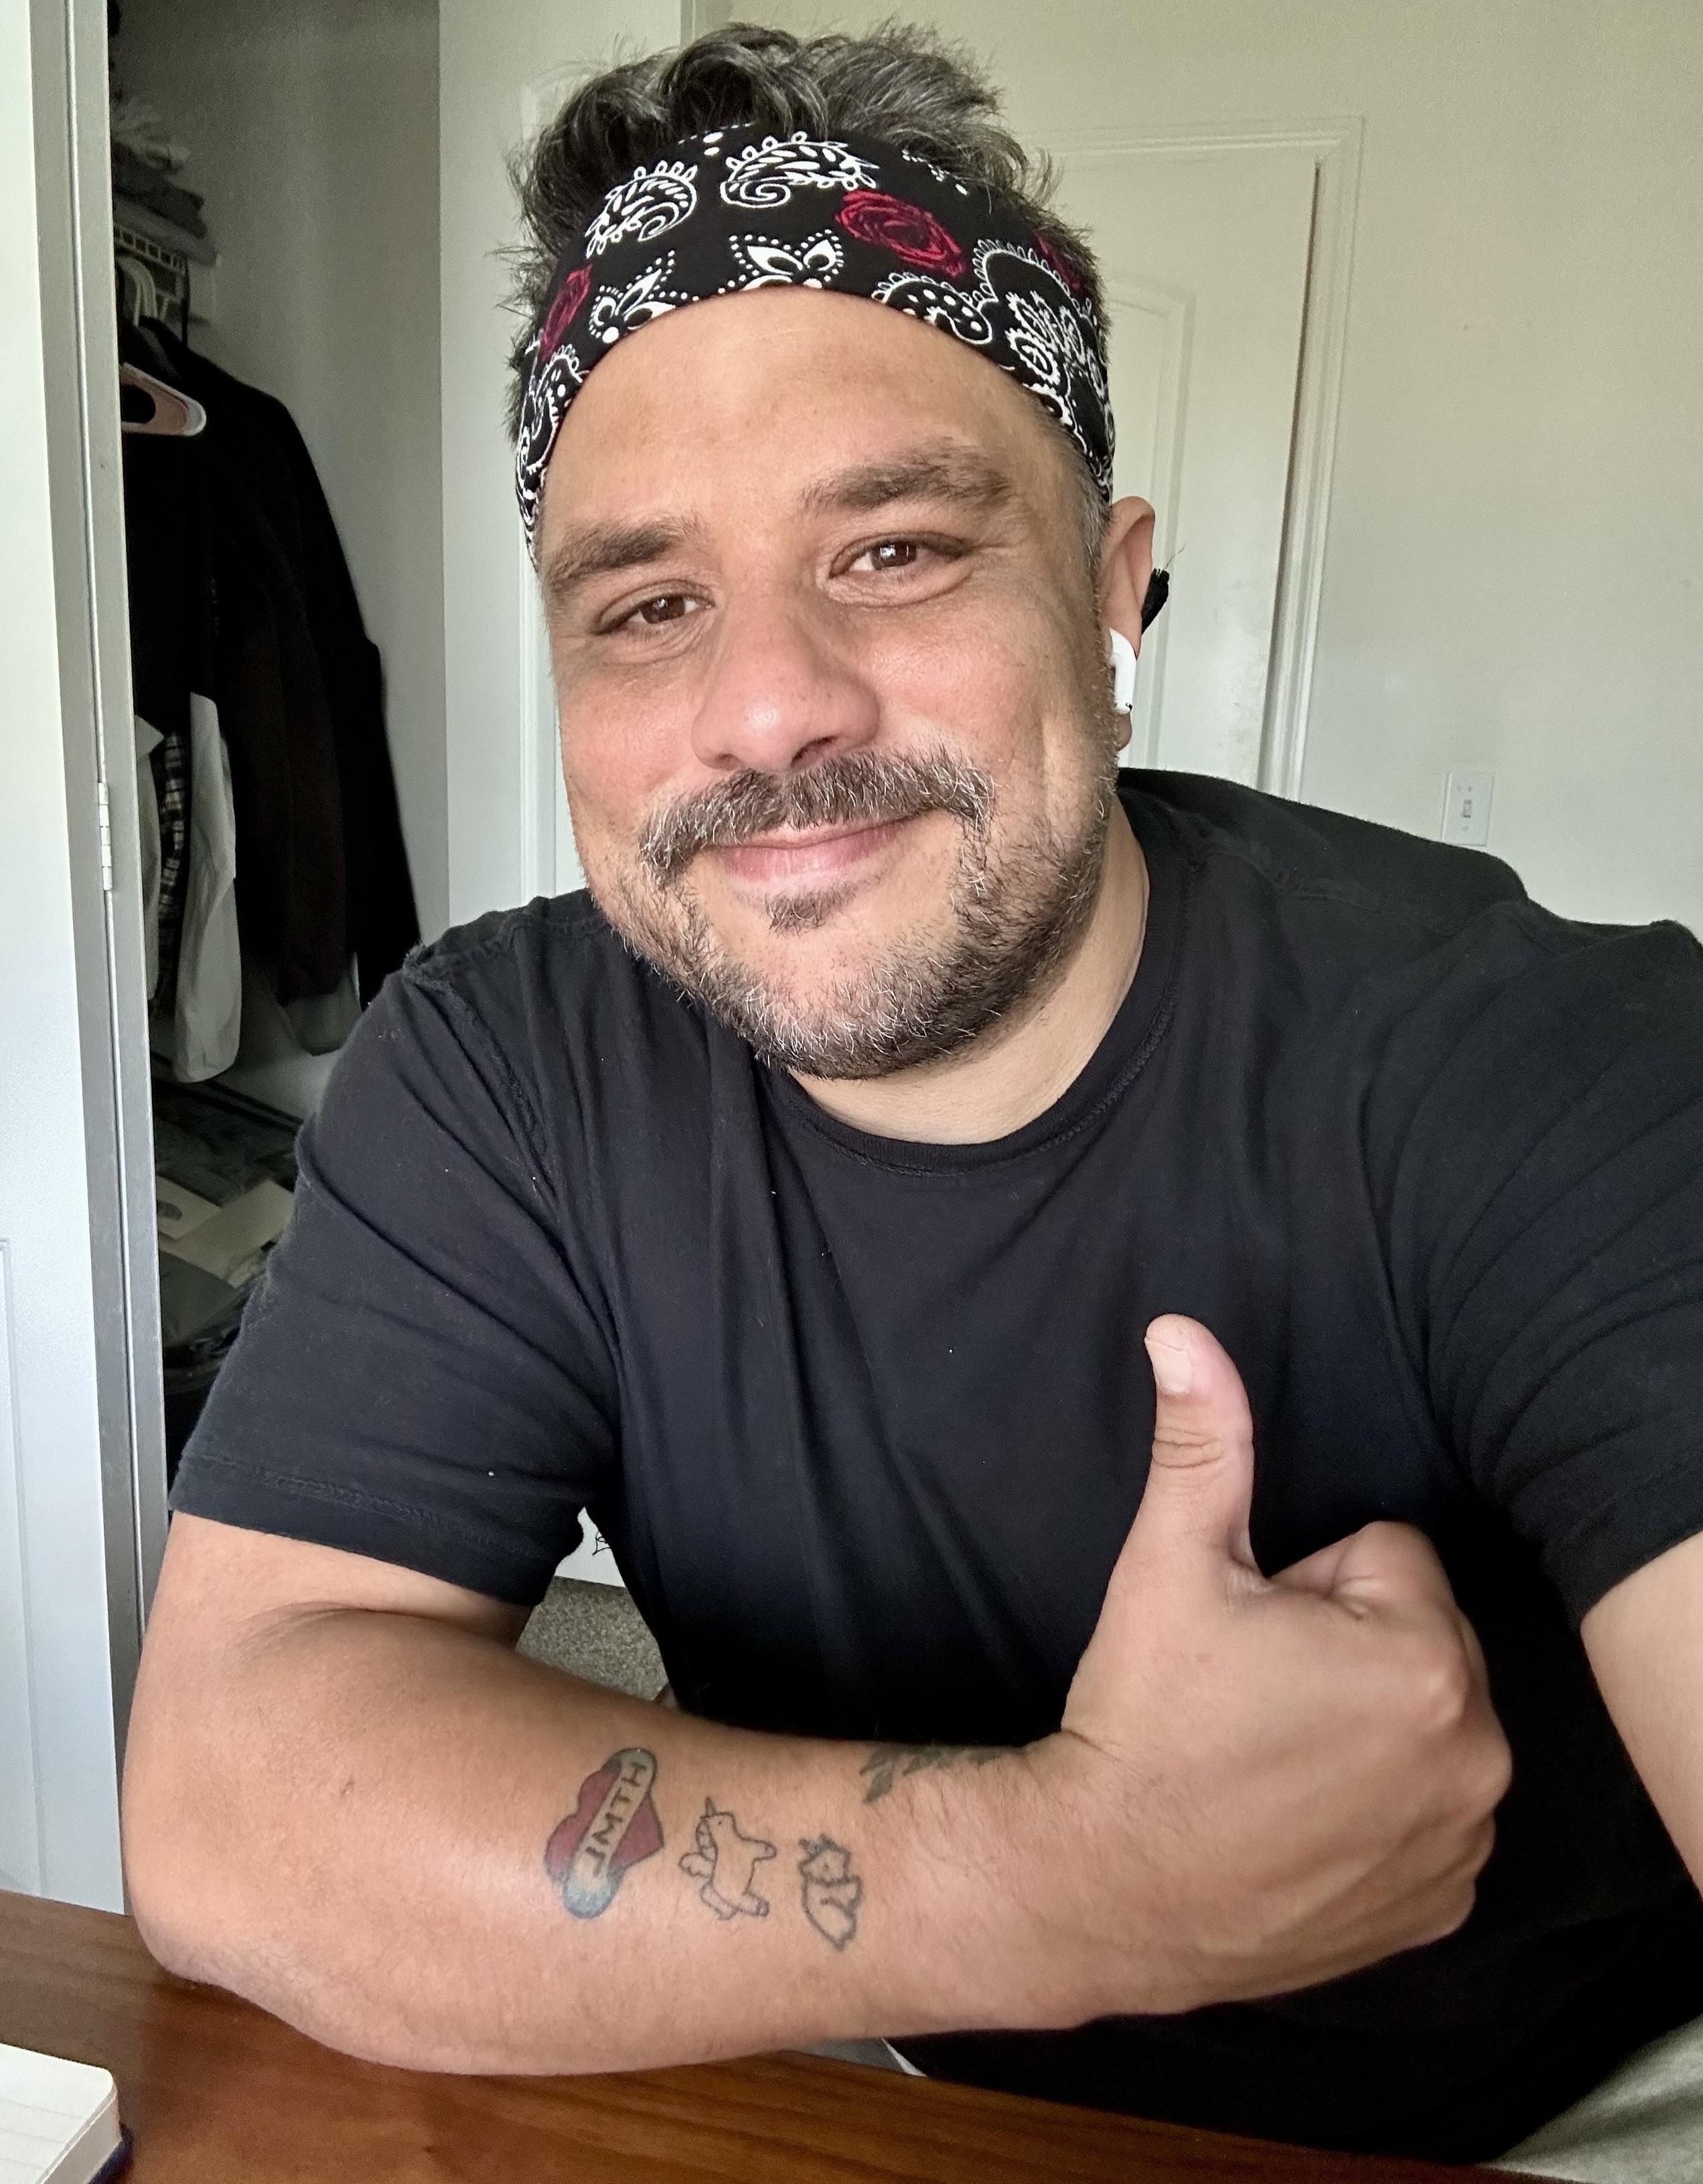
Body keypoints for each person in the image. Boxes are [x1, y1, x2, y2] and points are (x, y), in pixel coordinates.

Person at [122, 22, 1703, 2167]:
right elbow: (236, 1807)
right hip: (871, 2052)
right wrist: (1087, 1876)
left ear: (1111, 593)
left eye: (896, 551)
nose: (767, 707)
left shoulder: (1542, 1057)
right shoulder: (501, 1069)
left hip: (1560, 2106)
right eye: (649, 603)